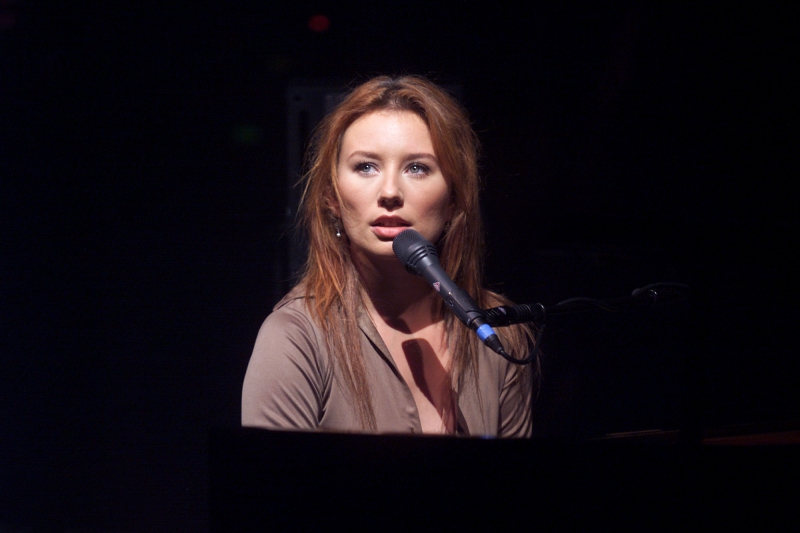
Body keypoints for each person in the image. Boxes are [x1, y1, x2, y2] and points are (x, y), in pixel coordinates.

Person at [242, 75, 538, 436]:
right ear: (331, 197)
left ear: (454, 199)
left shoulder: (500, 337)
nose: (390, 192)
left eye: (417, 168)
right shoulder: (295, 337)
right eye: (366, 166)